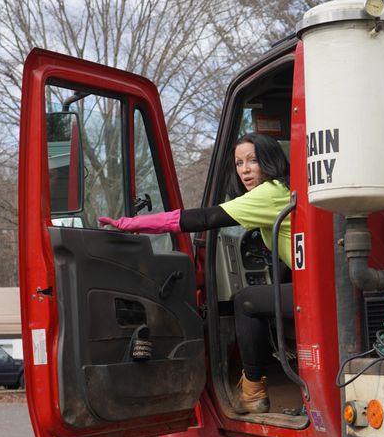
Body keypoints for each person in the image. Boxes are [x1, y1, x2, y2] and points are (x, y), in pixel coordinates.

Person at [99, 133, 292, 414]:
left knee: (246, 301)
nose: (245, 169)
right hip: (317, 285)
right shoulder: (281, 190)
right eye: (239, 163)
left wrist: (133, 223)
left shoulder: (269, 192)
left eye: (253, 160)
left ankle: (252, 390)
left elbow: (204, 219)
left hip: (318, 291)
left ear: (270, 160)